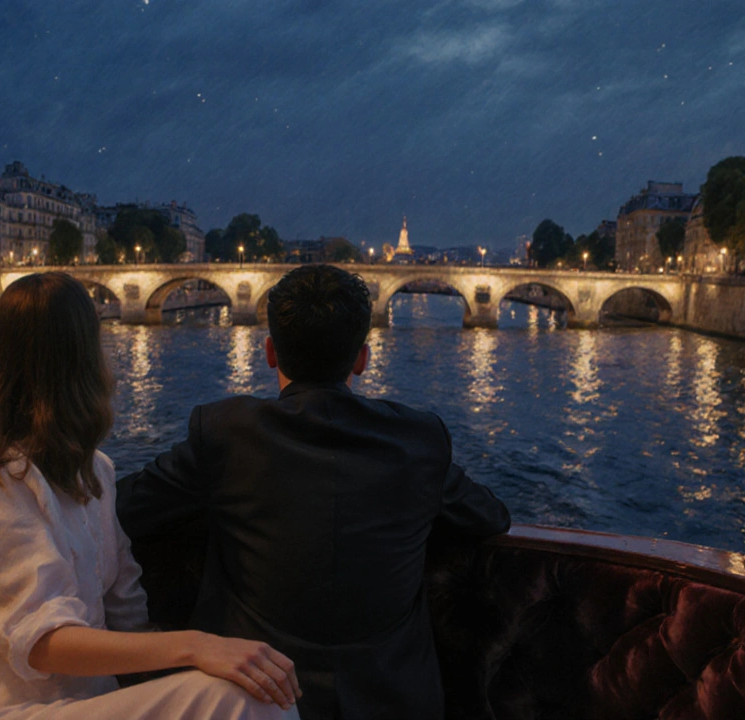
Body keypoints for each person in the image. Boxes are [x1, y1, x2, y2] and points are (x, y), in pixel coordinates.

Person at [117, 264, 511, 719]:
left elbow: (124, 506)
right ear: (362, 359)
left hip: (253, 700)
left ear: (269, 352)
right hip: (393, 701)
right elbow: (492, 518)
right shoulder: (419, 440)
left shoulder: (225, 434)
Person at [0, 272, 301, 720]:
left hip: (87, 704)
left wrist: (205, 658)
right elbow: (41, 643)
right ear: (82, 357)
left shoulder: (95, 470)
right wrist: (197, 647)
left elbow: (126, 606)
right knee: (249, 701)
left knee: (257, 691)